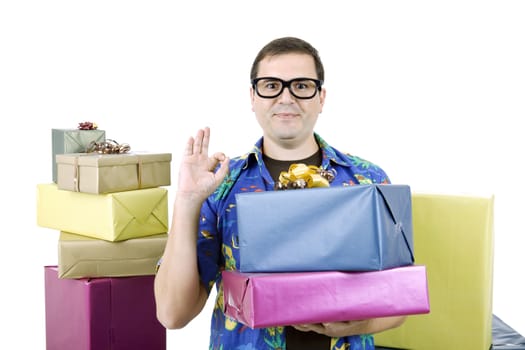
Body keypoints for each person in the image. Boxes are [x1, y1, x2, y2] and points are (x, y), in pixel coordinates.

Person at [154, 36, 406, 350]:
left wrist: (360, 324)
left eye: (301, 85)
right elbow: (172, 313)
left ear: (321, 97)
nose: (286, 97)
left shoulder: (368, 181)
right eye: (271, 85)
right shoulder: (220, 186)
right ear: (253, 97)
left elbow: (400, 296)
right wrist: (188, 199)